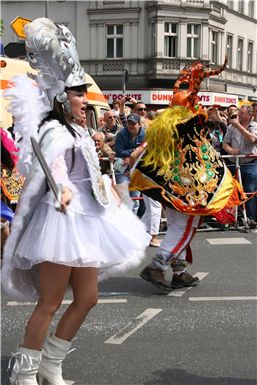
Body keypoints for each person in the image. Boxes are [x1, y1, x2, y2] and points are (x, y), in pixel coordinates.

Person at [2, 18, 150, 385]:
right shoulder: (53, 128)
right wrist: (63, 188)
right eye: (78, 93)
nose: (86, 99)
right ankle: (25, 372)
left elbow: (84, 172)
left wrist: (108, 190)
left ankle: (51, 364)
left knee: (88, 297)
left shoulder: (79, 128)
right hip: (61, 220)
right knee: (50, 302)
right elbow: (50, 164)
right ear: (60, 97)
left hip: (86, 219)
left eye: (84, 92)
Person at [130, 58, 247, 291]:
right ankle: (157, 265)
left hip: (175, 185)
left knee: (178, 225)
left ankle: (180, 272)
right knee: (185, 227)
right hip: (188, 186)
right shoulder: (188, 124)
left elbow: (142, 153)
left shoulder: (167, 125)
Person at [222, 105, 257, 227]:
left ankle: (251, 217)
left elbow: (252, 139)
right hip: (233, 163)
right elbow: (225, 143)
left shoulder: (254, 126)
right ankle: (233, 216)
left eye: (242, 113)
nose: (239, 115)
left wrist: (238, 126)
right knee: (232, 190)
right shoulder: (231, 127)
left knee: (250, 190)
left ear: (249, 115)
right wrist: (230, 150)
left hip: (250, 163)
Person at [114, 112, 145, 215]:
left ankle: (134, 224)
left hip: (137, 170)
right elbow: (119, 152)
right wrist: (135, 151)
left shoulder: (145, 134)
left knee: (135, 200)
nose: (131, 126)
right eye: (129, 123)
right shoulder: (121, 134)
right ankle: (125, 222)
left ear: (139, 124)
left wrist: (133, 155)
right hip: (122, 169)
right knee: (124, 198)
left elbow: (146, 152)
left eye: (133, 123)